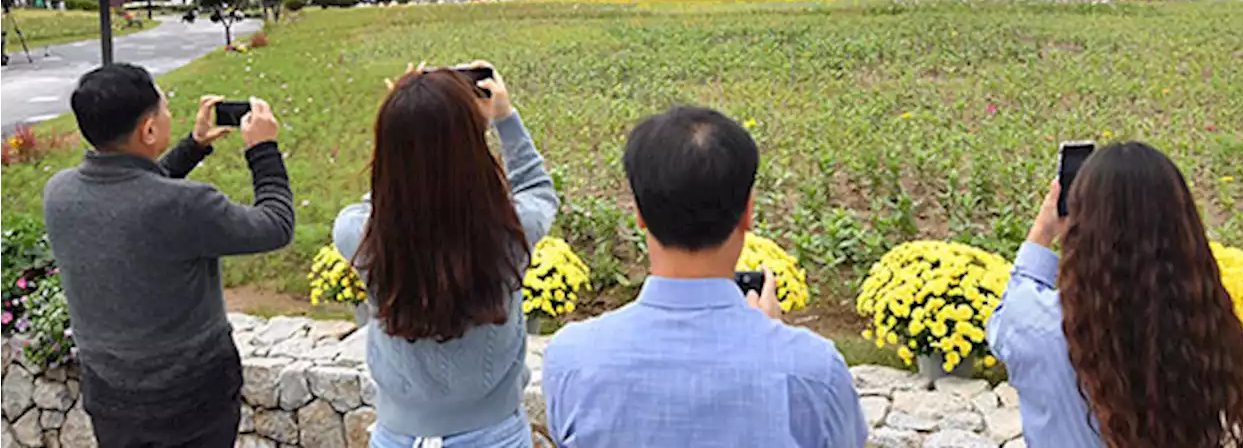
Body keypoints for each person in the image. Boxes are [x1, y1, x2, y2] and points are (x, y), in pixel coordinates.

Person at [543, 106, 868, 448]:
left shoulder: (571, 360)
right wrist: (773, 339)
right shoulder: (814, 371)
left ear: (639, 213)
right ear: (748, 212)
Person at [43, 63, 295, 447]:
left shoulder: (59, 193)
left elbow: (132, 193)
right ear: (147, 129)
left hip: (110, 399)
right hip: (190, 402)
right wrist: (263, 150)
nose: (169, 115)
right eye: (164, 109)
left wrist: (193, 147)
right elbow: (276, 225)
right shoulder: (186, 206)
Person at [332, 62, 557, 448]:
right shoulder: (510, 231)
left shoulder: (360, 235)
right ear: (471, 146)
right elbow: (538, 189)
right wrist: (504, 117)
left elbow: (381, 198)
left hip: (397, 436)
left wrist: (403, 129)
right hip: (495, 435)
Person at [988, 142, 1243, 448]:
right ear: (1182, 226)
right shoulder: (1201, 322)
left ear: (1081, 229)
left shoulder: (1036, 326)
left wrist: (1041, 231)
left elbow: (1003, 326)